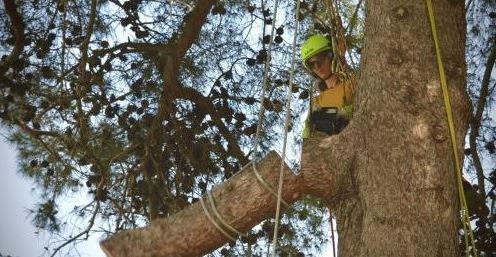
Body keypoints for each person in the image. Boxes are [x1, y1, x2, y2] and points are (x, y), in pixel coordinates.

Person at [300, 34, 356, 138]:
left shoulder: (353, 81)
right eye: (312, 65)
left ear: (331, 55)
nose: (317, 66)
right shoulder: (317, 101)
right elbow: (309, 136)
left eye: (320, 59)